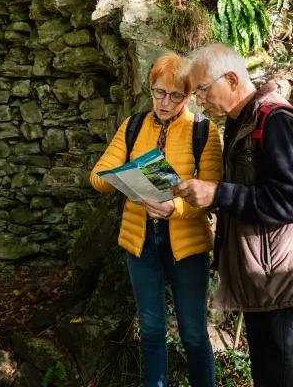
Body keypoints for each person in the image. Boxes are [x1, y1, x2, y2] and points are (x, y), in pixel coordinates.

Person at [172, 43, 293, 387]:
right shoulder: (242, 120)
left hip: (287, 284)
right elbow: (252, 192)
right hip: (265, 282)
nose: (198, 100)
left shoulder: (276, 121)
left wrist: (218, 192)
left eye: (202, 89)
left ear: (230, 79)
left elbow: (290, 203)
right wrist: (211, 195)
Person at [90, 53, 223, 387]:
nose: (164, 102)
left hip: (186, 244)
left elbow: (211, 194)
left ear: (189, 96)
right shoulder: (133, 125)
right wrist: (120, 179)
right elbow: (97, 176)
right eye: (158, 93)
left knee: (193, 333)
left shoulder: (204, 131)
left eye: (175, 95)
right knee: (150, 331)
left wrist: (175, 208)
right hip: (142, 242)